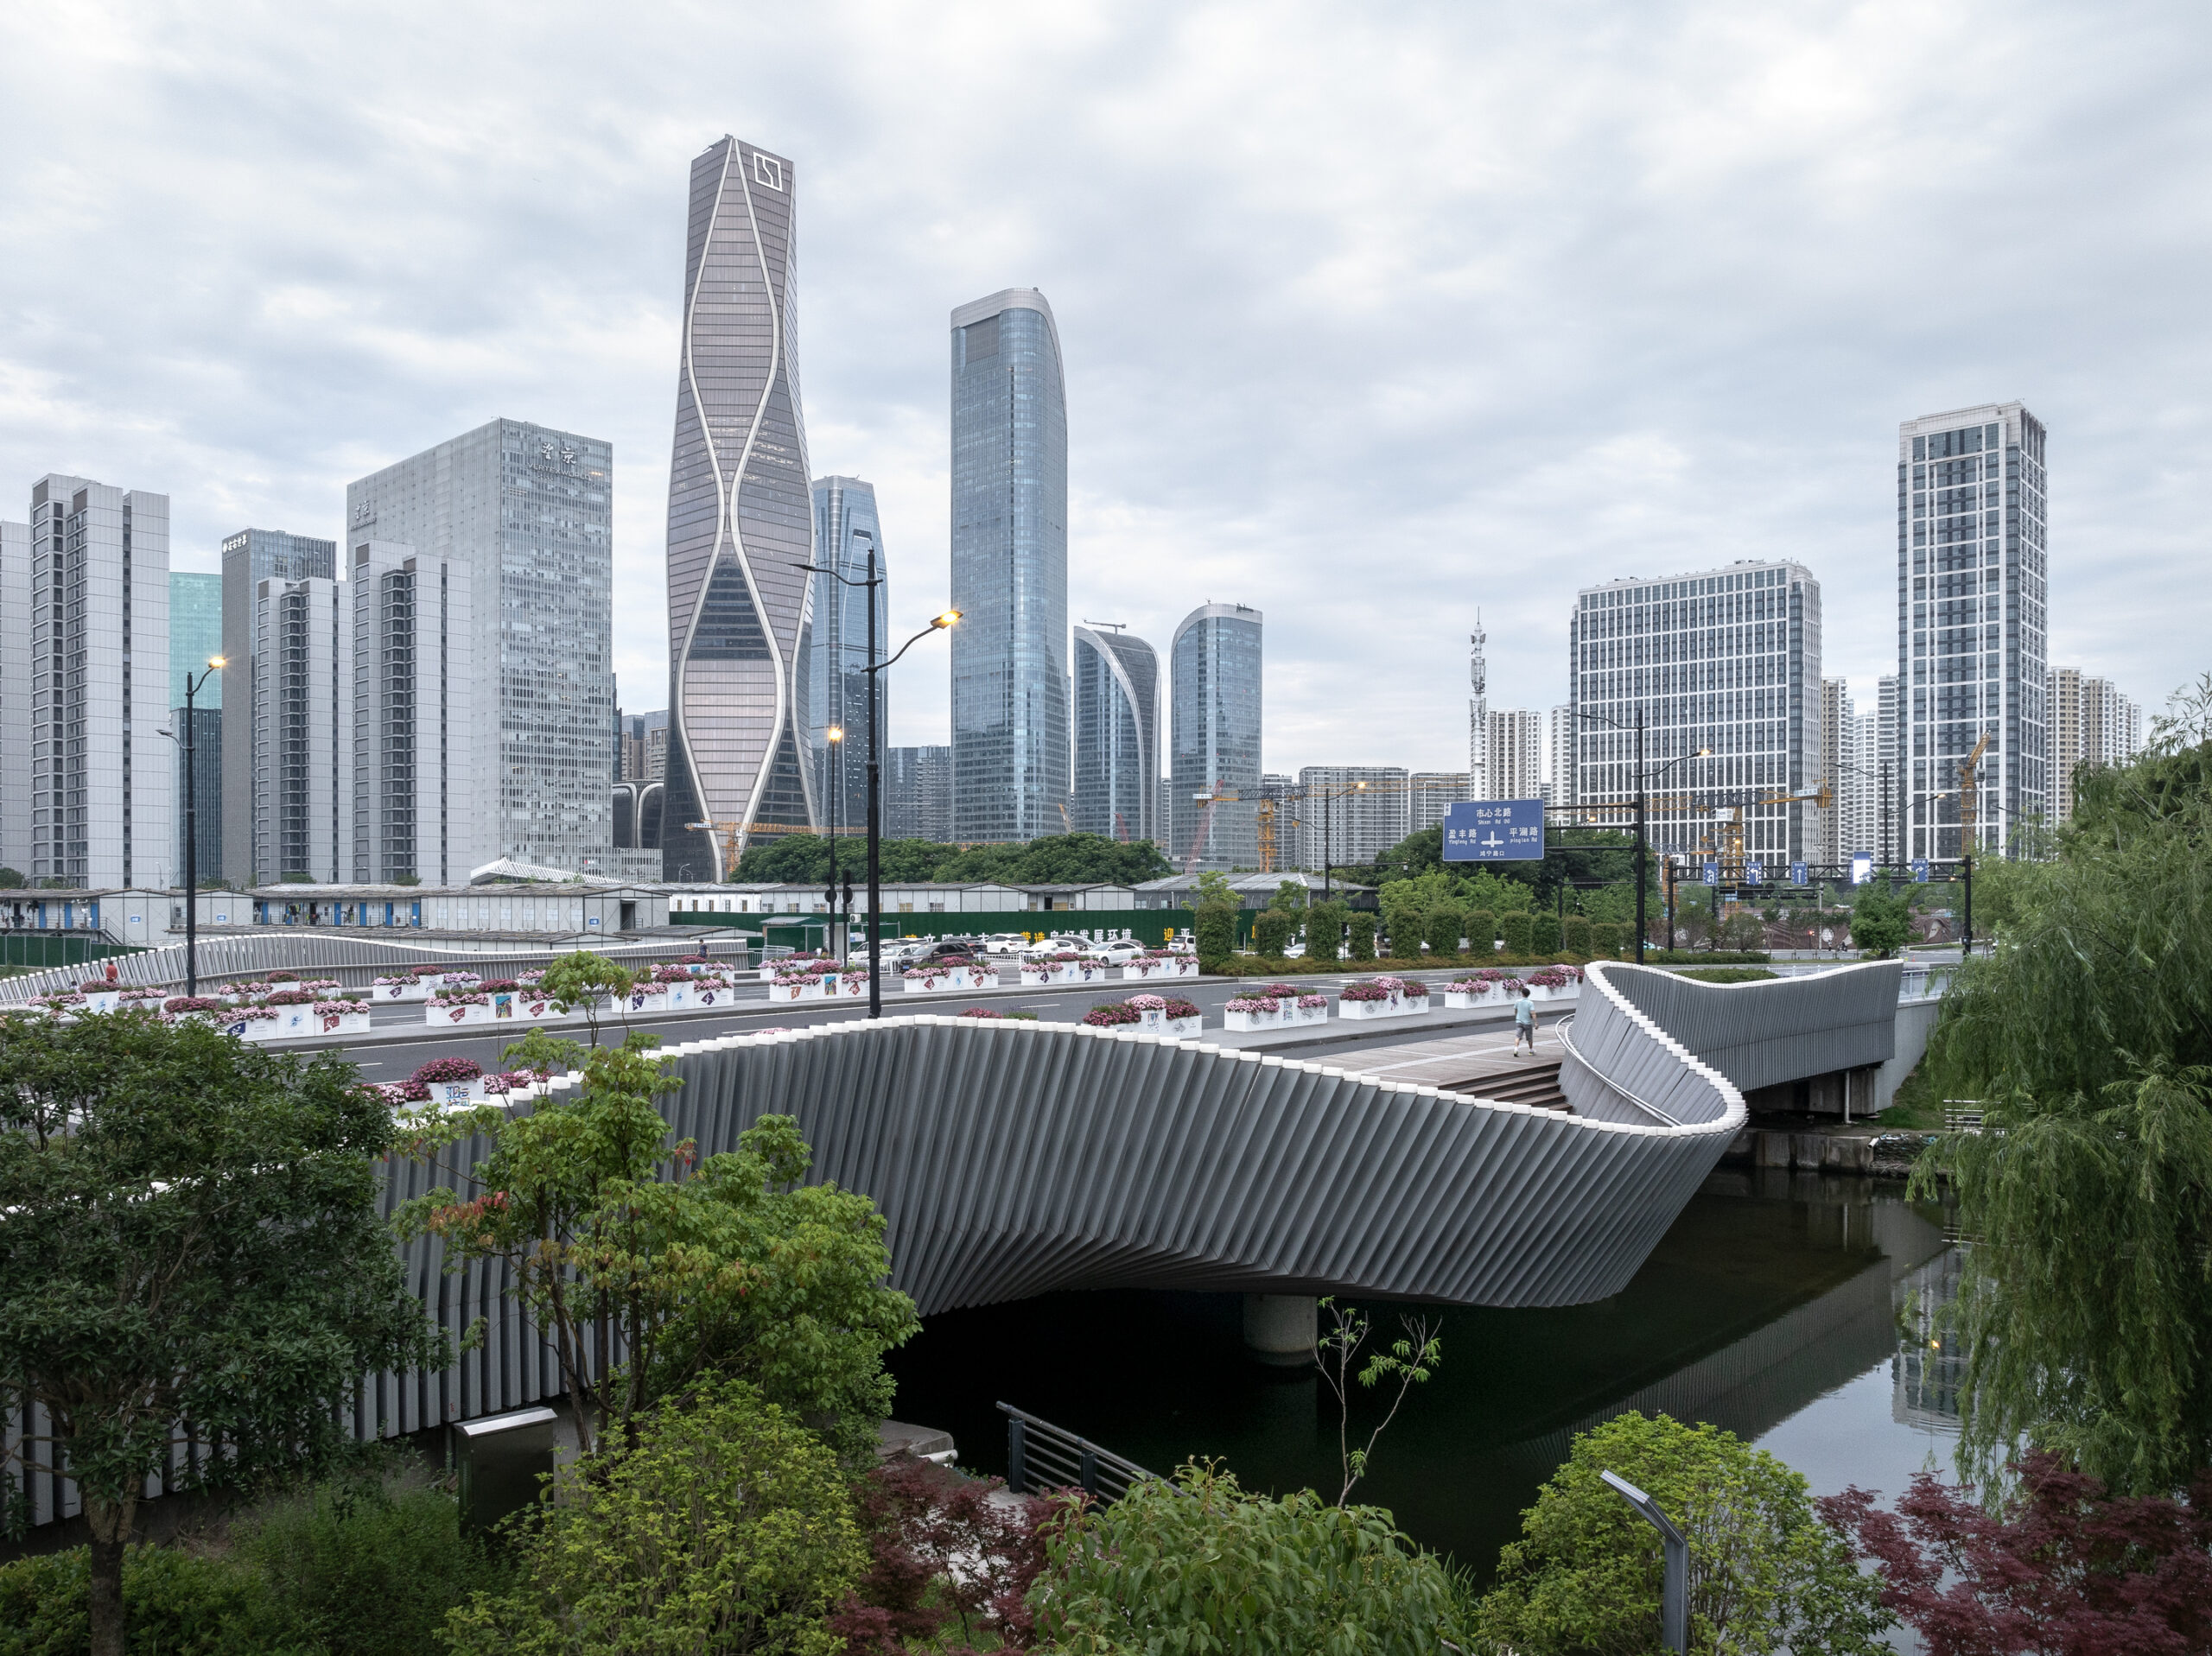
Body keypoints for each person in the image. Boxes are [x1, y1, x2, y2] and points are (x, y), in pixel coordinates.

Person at [1512, 982, 1537, 1056]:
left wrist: (1517, 1016)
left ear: (1522, 994)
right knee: (1529, 1037)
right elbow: (1533, 1013)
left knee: (1518, 1036)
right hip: (1528, 1023)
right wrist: (1536, 1022)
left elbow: (1515, 1010)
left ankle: (1516, 1049)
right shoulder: (1530, 1003)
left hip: (1519, 1022)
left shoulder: (1517, 1001)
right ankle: (1531, 1050)